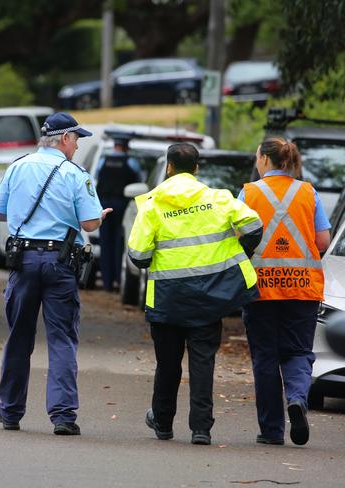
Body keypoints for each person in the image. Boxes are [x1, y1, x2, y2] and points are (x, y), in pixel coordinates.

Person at [127, 143, 263, 445]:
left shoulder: (152, 204)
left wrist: (156, 259)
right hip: (209, 298)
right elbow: (254, 225)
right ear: (197, 168)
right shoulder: (218, 198)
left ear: (168, 167)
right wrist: (239, 255)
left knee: (168, 364)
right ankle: (201, 428)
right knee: (203, 363)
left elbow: (137, 255)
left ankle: (162, 423)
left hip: (167, 299)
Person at [0, 112, 112, 435]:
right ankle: (62, 416)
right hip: (59, 263)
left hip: (23, 261)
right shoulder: (75, 173)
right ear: (64, 139)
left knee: (19, 337)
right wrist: (98, 217)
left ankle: (11, 411)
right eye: (76, 139)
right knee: (61, 339)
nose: (77, 146)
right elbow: (88, 224)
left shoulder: (17, 166)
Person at [239, 137, 331, 446]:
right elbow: (322, 242)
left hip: (260, 289)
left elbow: (238, 237)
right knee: (298, 352)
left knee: (265, 357)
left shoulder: (249, 193)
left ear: (265, 160)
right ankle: (297, 399)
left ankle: (271, 431)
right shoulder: (308, 192)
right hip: (302, 288)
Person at [95, 132, 142, 291]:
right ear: (127, 146)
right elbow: (139, 181)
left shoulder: (103, 161)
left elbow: (97, 180)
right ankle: (119, 280)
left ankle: (107, 283)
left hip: (104, 206)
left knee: (105, 242)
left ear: (115, 145)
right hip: (122, 205)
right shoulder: (132, 162)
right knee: (119, 243)